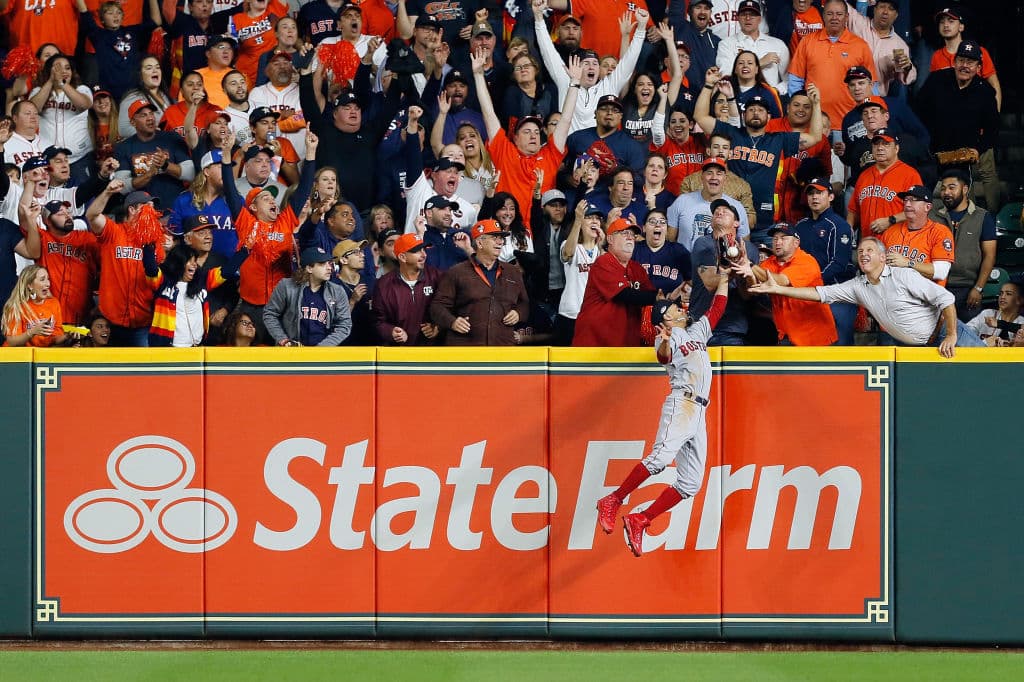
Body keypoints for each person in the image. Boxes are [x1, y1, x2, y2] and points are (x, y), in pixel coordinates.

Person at [594, 270, 730, 557]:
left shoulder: (695, 332)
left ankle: (641, 519)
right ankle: (614, 499)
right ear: (665, 319)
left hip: (699, 412)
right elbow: (663, 356)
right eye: (672, 307)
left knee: (691, 482)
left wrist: (726, 277)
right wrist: (666, 339)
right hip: (681, 404)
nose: (680, 307)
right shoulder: (667, 336)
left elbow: (717, 308)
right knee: (659, 460)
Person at [749, 236, 984, 357]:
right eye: (860, 252)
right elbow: (819, 293)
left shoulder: (903, 275)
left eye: (869, 250)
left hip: (945, 332)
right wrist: (778, 289)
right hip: (916, 347)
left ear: (883, 257)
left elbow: (946, 299)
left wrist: (952, 335)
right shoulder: (857, 286)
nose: (863, 255)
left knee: (996, 366)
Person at [694, 68, 823, 243]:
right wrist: (709, 85)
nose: (756, 112)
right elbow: (700, 116)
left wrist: (816, 105)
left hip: (765, 221)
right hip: (730, 217)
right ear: (743, 114)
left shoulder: (778, 139)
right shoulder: (732, 133)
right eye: (751, 109)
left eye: (761, 110)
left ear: (769, 117)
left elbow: (815, 137)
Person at [219, 128, 317, 342]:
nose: (273, 201)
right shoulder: (245, 222)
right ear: (252, 207)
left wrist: (310, 154)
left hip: (282, 306)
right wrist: (227, 157)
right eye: (265, 198)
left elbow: (303, 190)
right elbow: (229, 190)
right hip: (249, 306)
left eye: (273, 198)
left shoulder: (285, 221)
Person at [477, 47, 578, 228]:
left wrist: (575, 84)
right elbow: (488, 114)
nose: (533, 135)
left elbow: (565, 120)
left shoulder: (550, 155)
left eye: (536, 132)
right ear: (514, 138)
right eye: (526, 131)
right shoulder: (505, 151)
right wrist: (478, 75)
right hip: (508, 231)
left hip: (541, 233)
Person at [916, 40, 1001, 213]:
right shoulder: (936, 80)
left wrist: (978, 148)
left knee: (965, 208)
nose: (964, 66)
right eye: (961, 60)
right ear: (954, 62)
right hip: (932, 155)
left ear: (978, 67)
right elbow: (917, 112)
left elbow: (993, 129)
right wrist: (923, 143)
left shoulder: (985, 92)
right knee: (925, 205)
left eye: (970, 62)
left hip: (962, 159)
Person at [143, 218, 253, 346]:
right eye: (189, 261)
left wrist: (246, 249)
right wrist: (148, 243)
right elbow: (150, 269)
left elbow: (227, 271)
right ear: (178, 263)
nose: (194, 265)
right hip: (168, 349)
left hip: (196, 348)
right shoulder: (163, 281)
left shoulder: (202, 280)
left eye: (194, 261)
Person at [731, 222, 837, 345]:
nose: (778, 242)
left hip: (815, 336)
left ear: (796, 243)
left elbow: (782, 281)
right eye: (775, 238)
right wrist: (746, 274)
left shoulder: (807, 261)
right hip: (786, 335)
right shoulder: (768, 264)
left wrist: (750, 265)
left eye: (784, 238)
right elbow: (752, 290)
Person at [430, 219, 530, 346]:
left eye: (501, 238)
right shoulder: (456, 272)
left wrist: (518, 313)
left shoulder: (513, 272)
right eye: (494, 238)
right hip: (466, 348)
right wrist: (452, 322)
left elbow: (525, 303)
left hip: (502, 347)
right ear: (480, 243)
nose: (500, 242)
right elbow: (437, 306)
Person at [85, 182, 162, 346]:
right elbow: (91, 215)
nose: (152, 212)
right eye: (147, 207)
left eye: (153, 208)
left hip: (143, 322)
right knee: (111, 371)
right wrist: (107, 192)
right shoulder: (114, 232)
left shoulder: (156, 242)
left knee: (141, 371)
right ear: (132, 209)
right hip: (111, 322)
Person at [573, 217, 668, 346]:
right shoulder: (604, 262)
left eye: (632, 235)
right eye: (624, 233)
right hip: (594, 343)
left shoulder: (637, 269)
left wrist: (668, 298)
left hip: (625, 343)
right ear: (610, 239)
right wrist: (657, 297)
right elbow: (624, 295)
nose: (630, 238)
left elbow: (652, 296)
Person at [787, 0, 878, 132]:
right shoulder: (807, 42)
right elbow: (795, 81)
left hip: (851, 124)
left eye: (839, 14)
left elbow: (872, 86)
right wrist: (800, 114)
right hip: (813, 123)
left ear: (846, 17)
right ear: (823, 16)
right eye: (830, 13)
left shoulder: (860, 46)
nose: (834, 18)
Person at [689, 198, 760, 345]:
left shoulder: (749, 249)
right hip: (702, 323)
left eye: (726, 212)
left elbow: (747, 294)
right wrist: (733, 269)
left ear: (736, 223)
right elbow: (710, 284)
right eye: (716, 212)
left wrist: (745, 270)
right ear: (711, 222)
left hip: (733, 326)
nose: (719, 212)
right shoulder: (703, 243)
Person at [929, 169, 997, 322]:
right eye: (943, 188)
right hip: (937, 286)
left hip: (967, 289)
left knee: (967, 339)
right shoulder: (933, 215)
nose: (946, 192)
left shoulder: (982, 217)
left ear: (965, 189)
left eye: (952, 187)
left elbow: (990, 256)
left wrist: (978, 288)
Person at [794, 177, 857, 344]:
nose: (814, 197)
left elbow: (839, 263)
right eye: (811, 193)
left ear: (830, 197)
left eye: (820, 193)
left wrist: (812, 282)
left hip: (837, 293)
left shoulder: (840, 225)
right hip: (808, 293)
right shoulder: (800, 226)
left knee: (840, 344)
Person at [264, 246, 352, 347]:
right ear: (309, 268)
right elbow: (270, 314)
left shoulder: (337, 291)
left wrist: (322, 348)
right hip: (291, 353)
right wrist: (283, 340)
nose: (329, 268)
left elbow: (344, 325)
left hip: (323, 356)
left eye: (329, 263)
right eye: (322, 264)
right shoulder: (286, 286)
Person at [28, 55, 94, 183]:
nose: (63, 71)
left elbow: (84, 104)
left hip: (79, 159)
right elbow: (33, 109)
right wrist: (51, 82)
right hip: (48, 159)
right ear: (49, 71)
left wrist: (61, 83)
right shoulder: (38, 91)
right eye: (57, 68)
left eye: (67, 68)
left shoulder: (82, 89)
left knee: (82, 199)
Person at [847, 126, 921, 239]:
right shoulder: (864, 176)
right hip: (868, 246)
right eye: (876, 144)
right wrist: (849, 229)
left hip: (897, 244)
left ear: (896, 149)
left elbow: (918, 211)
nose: (880, 148)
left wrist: (891, 220)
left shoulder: (910, 175)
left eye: (886, 144)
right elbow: (854, 211)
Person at [371, 232, 443, 345]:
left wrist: (438, 326)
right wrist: (391, 331)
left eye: (424, 249)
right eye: (417, 251)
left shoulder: (437, 277)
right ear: (402, 257)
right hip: (398, 354)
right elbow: (377, 321)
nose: (424, 255)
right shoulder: (383, 284)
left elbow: (450, 309)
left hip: (432, 352)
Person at [879, 185, 955, 286]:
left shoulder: (940, 232)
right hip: (893, 296)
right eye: (905, 200)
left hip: (925, 298)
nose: (907, 204)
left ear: (927, 207)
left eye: (913, 200)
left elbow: (941, 272)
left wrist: (908, 263)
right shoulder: (890, 232)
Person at [669, 157, 750, 250]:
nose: (714, 177)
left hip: (722, 262)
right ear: (701, 177)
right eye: (709, 173)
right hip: (685, 263)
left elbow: (744, 245)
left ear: (725, 178)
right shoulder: (682, 201)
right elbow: (670, 240)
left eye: (719, 173)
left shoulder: (737, 207)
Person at [930, 6, 1000, 110]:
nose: (945, 25)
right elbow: (935, 91)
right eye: (941, 22)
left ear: (961, 27)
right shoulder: (937, 56)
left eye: (951, 21)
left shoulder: (979, 51)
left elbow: (994, 85)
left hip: (976, 116)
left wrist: (995, 115)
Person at [716, 1, 790, 98]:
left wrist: (774, 91)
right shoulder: (726, 44)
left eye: (752, 15)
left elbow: (789, 79)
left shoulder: (777, 44)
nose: (748, 18)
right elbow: (726, 75)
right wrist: (760, 63)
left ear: (760, 19)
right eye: (744, 14)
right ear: (737, 18)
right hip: (739, 98)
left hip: (770, 100)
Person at [842, 0, 915, 96]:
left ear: (896, 15)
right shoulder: (859, 24)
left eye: (891, 9)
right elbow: (840, 5)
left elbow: (906, 76)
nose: (885, 12)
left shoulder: (899, 45)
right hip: (848, 92)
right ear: (874, 9)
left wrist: (907, 68)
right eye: (882, 6)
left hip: (875, 100)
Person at [2, 265, 65, 347]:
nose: (48, 284)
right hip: (15, 357)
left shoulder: (54, 303)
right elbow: (11, 341)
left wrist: (69, 337)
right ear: (30, 285)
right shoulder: (17, 306)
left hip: (41, 356)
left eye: (48, 279)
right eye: (42, 279)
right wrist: (32, 332)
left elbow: (56, 337)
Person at [633, 208, 691, 296]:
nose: (657, 225)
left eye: (662, 222)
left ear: (667, 229)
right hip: (637, 306)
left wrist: (688, 293)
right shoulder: (634, 250)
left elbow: (695, 282)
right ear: (644, 228)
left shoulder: (678, 251)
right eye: (652, 222)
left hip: (671, 306)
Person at [332, 238, 375, 345]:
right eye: (356, 252)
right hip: (344, 346)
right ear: (343, 260)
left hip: (371, 344)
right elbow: (333, 323)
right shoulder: (332, 286)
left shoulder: (371, 281)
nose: (363, 255)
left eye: (362, 252)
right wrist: (352, 301)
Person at [965, 283, 1024, 347]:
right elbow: (965, 334)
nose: (1002, 297)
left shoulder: (1022, 322)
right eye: (1001, 293)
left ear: (1019, 300)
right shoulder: (988, 314)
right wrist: (985, 343)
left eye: (1008, 294)